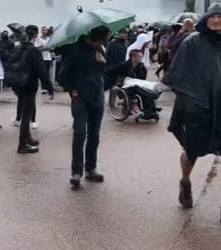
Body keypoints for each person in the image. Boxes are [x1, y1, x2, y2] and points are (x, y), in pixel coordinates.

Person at [163, 3, 221, 229]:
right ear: (206, 20)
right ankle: (185, 182)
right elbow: (178, 74)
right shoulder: (192, 42)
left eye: (220, 17)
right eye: (212, 17)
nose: (216, 21)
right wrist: (193, 101)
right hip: (200, 108)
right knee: (192, 152)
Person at [59, 26, 109, 187]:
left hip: (97, 96)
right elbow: (61, 75)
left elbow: (103, 72)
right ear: (94, 38)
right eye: (102, 40)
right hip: (80, 97)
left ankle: (91, 168)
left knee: (94, 134)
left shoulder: (100, 49)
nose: (104, 43)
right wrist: (71, 89)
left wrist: (102, 64)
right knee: (80, 133)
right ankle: (76, 171)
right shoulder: (74, 51)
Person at [13, 25, 54, 154]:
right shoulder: (34, 51)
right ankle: (22, 144)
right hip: (29, 85)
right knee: (26, 115)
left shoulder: (18, 48)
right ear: (36, 35)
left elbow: (10, 63)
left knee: (25, 111)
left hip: (18, 84)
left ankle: (27, 138)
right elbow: (42, 71)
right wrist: (49, 87)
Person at [106, 48, 161, 120]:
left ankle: (150, 110)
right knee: (138, 90)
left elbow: (143, 79)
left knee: (148, 89)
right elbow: (109, 71)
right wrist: (114, 84)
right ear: (133, 57)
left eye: (141, 56)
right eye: (139, 56)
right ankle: (139, 108)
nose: (141, 58)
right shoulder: (124, 65)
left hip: (137, 84)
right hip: (125, 85)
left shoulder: (141, 66)